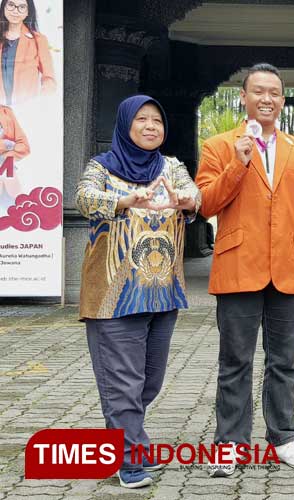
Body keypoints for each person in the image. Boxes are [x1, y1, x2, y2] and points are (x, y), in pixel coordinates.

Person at [195, 63, 294, 475]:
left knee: (284, 360)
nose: (266, 98)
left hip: (287, 266)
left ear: (282, 100)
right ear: (243, 97)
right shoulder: (219, 145)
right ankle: (229, 445)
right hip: (239, 265)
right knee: (235, 360)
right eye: (258, 92)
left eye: (274, 92)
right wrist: (238, 163)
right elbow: (205, 204)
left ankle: (284, 437)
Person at [75, 95, 200, 488]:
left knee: (149, 381)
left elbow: (194, 195)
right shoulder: (102, 168)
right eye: (142, 120)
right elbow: (83, 198)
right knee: (123, 383)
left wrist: (187, 199)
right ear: (126, 125)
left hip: (162, 293)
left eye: (157, 121)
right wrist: (122, 200)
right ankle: (130, 460)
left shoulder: (171, 167)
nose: (151, 127)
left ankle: (123, 437)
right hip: (113, 296)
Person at [0, 0, 55, 105]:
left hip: (25, 110)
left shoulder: (38, 40)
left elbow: (49, 80)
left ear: (28, 11)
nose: (15, 11)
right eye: (11, 5)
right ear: (3, 7)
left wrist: (37, 104)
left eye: (22, 7)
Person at [0, 104, 29, 214]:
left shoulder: (6, 112)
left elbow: (24, 147)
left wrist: (5, 155)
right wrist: (6, 145)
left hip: (10, 182)